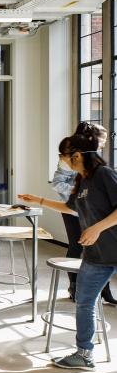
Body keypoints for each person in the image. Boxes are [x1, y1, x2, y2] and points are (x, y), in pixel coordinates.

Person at [19, 129, 117, 371]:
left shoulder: (104, 174)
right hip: (97, 255)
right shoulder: (82, 180)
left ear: (76, 155)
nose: (61, 160)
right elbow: (70, 207)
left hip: (112, 246)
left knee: (85, 301)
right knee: (84, 302)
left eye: (63, 155)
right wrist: (37, 200)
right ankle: (84, 354)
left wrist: (97, 228)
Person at [50, 122, 116, 303]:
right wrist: (79, 191)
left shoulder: (98, 167)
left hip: (88, 207)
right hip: (73, 208)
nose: (103, 144)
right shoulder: (72, 156)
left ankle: (102, 290)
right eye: (102, 140)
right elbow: (57, 183)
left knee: (101, 248)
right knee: (77, 246)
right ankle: (75, 287)